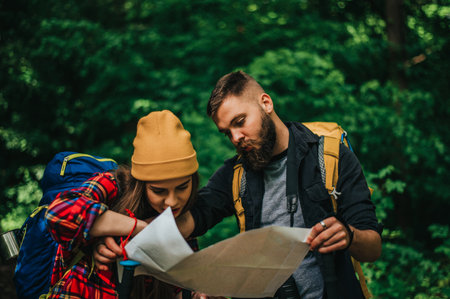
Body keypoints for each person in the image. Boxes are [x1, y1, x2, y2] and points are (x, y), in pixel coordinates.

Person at [179, 70, 383, 298]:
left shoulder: (331, 157)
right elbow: (192, 219)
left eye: (240, 122)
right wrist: (137, 225)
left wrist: (348, 235)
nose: (235, 138)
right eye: (227, 133)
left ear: (266, 103)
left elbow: (373, 247)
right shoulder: (235, 174)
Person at [45, 110, 205, 299]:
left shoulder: (183, 220)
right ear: (140, 184)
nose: (171, 201)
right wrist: (141, 228)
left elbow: (176, 288)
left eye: (182, 187)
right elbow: (58, 214)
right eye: (158, 191)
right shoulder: (112, 185)